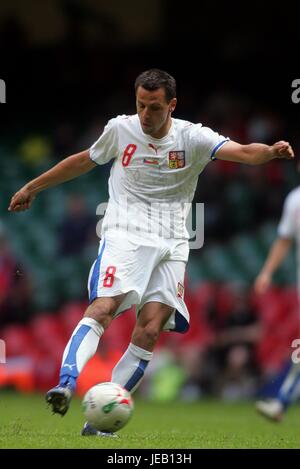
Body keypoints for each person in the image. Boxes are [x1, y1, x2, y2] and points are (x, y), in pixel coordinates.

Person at [8, 69, 294, 437]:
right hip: (124, 232)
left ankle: (102, 419)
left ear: (171, 105)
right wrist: (34, 186)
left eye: (154, 107)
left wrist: (269, 152)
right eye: (140, 105)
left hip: (173, 241)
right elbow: (82, 160)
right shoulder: (121, 129)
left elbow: (242, 152)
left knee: (150, 328)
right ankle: (66, 382)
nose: (145, 114)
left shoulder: (192, 137)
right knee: (104, 307)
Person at [254, 183, 300, 421]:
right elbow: (284, 239)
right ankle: (282, 401)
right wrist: (267, 272)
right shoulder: (295, 199)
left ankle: (282, 401)